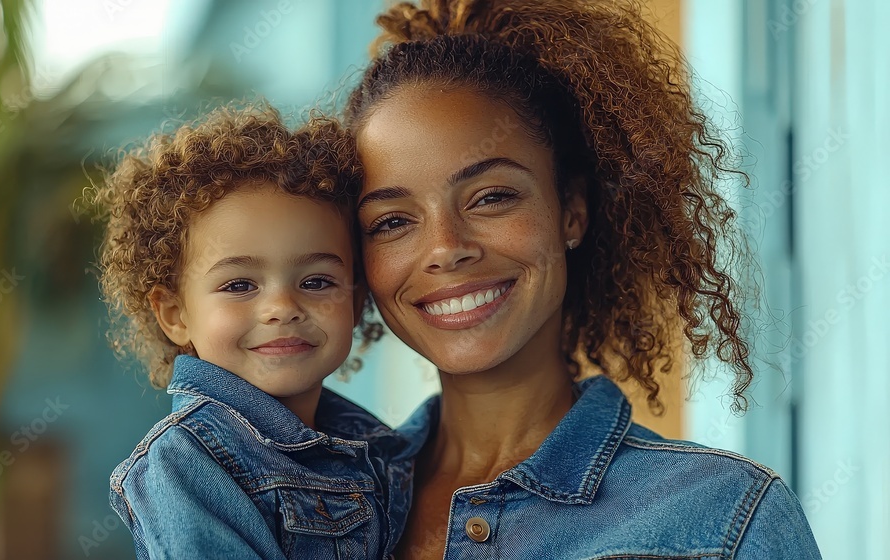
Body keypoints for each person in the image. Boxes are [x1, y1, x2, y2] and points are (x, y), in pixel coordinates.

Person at [343, 0, 822, 558]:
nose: (446, 248)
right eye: (393, 221)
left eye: (491, 197)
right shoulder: (319, 507)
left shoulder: (725, 521)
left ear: (571, 210)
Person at [95, 104, 410, 559]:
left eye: (316, 281)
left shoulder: (381, 446)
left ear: (357, 301)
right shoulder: (184, 463)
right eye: (239, 285)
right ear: (175, 314)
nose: (282, 308)